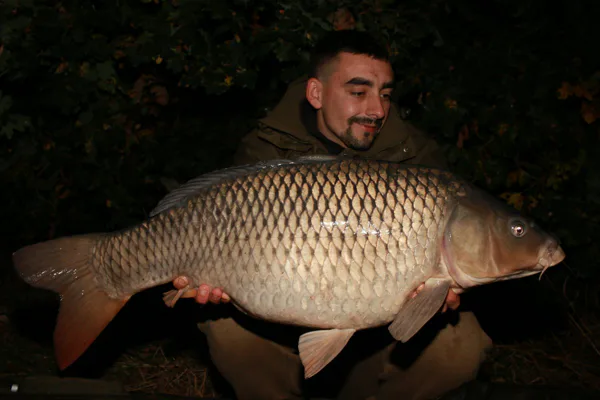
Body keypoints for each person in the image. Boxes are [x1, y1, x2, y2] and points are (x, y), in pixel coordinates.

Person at [169, 30, 492, 400]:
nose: (377, 110)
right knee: (225, 330)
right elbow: (222, 234)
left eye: (385, 94)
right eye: (358, 92)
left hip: (377, 340)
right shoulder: (265, 149)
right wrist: (215, 279)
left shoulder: (415, 156)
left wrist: (436, 297)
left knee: (460, 345)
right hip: (276, 331)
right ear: (316, 93)